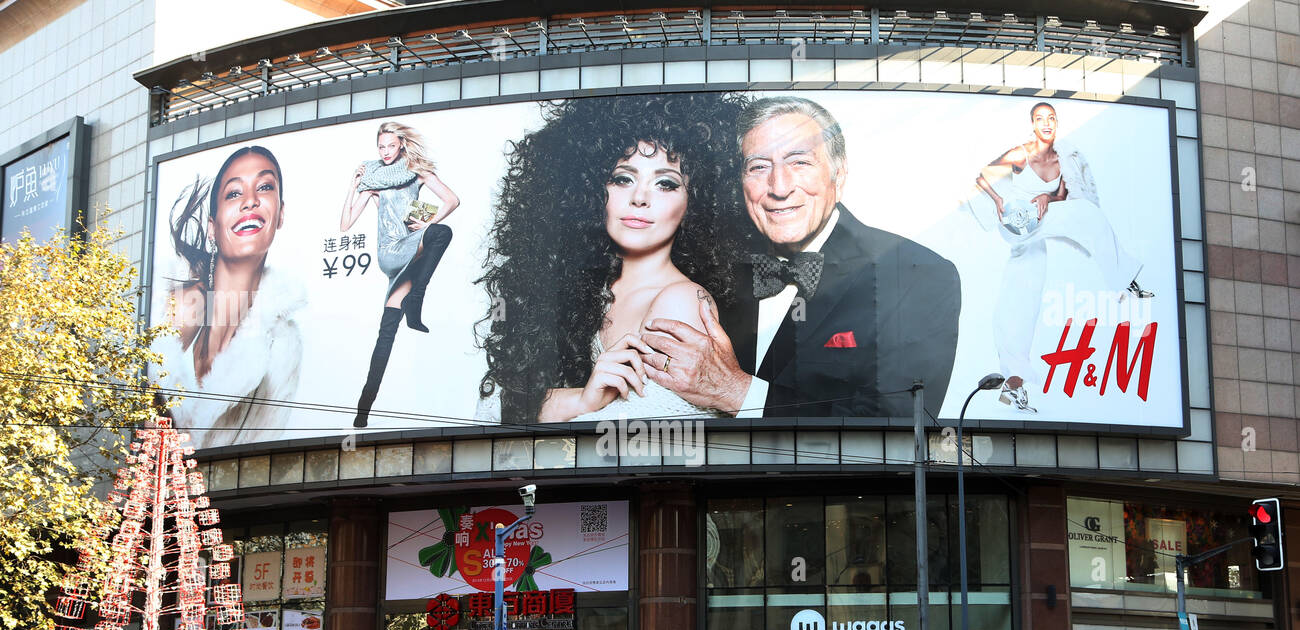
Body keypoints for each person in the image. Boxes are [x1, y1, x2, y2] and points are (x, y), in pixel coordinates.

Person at [636, 95, 961, 421]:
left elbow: (897, 426)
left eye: (799, 162)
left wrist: (736, 391)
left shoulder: (918, 275)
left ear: (840, 174)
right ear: (741, 182)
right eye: (759, 167)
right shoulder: (713, 268)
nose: (779, 187)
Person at [476, 92, 749, 424]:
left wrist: (555, 407)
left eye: (665, 184)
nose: (639, 198)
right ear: (589, 191)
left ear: (695, 204)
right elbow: (491, 410)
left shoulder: (683, 301)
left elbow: (643, 443)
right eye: (623, 178)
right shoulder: (580, 291)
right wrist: (584, 398)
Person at [973, 101, 1152, 413]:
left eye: (1051, 119)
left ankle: (1013, 384)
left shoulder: (1062, 159)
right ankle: (1123, 281)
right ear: (1033, 124)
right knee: (1085, 215)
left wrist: (1047, 196)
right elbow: (983, 177)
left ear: (1056, 124)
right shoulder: (1022, 152)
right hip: (1015, 223)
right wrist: (1000, 200)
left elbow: (1062, 198)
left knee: (1022, 297)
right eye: (1040, 119)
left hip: (1038, 227)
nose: (1046, 123)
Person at [154, 145, 305, 448]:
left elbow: (260, 455)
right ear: (213, 226)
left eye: (264, 187)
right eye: (234, 193)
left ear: (281, 214)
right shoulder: (169, 306)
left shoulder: (283, 345)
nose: (251, 201)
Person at [341, 120, 460, 428]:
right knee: (439, 233)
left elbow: (452, 200)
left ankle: (362, 412)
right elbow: (345, 225)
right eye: (381, 147)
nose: (386, 152)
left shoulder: (416, 172)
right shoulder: (374, 178)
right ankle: (417, 298)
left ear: (402, 145)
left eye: (391, 146)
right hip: (390, 251)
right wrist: (353, 187)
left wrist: (426, 220)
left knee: (386, 332)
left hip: (410, 243)